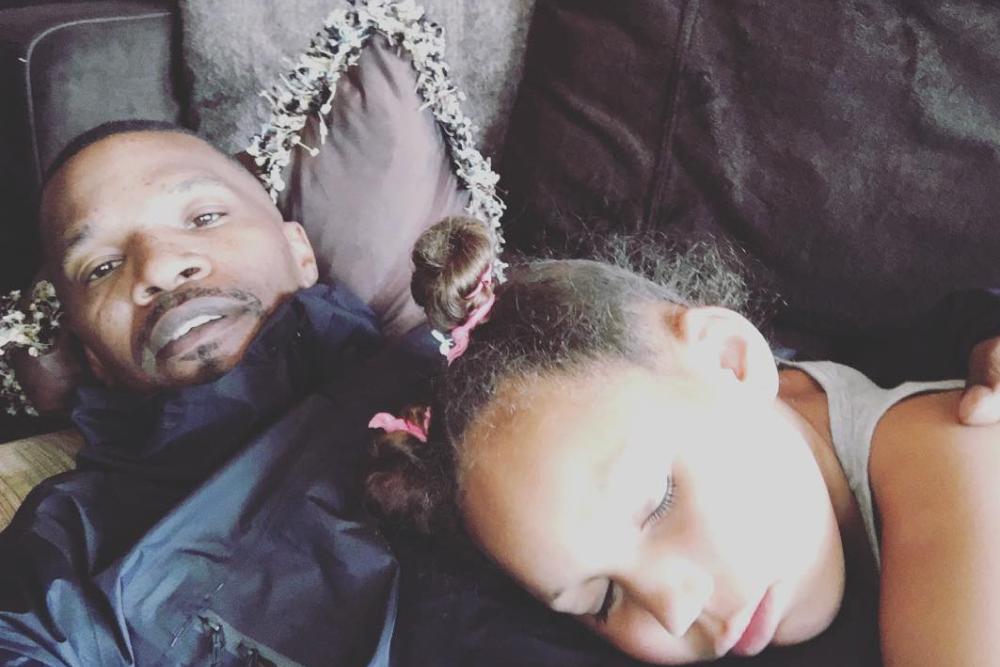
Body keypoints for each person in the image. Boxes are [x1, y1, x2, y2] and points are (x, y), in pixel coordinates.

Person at [367, 216, 1000, 666]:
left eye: (660, 501)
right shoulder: (759, 425)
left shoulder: (962, 464)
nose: (673, 610)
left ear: (732, 360)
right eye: (603, 600)